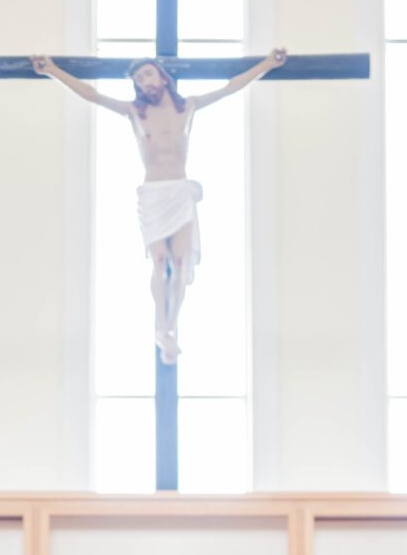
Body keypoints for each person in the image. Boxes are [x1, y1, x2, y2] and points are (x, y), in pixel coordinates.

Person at [31, 50, 286, 361]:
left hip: (179, 191)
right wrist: (53, 71)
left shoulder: (188, 107)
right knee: (160, 261)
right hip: (153, 194)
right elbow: (91, 94)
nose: (144, 84)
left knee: (180, 263)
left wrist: (268, 64)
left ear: (163, 77)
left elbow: (231, 86)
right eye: (138, 81)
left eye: (148, 75)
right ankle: (160, 327)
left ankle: (168, 327)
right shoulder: (135, 113)